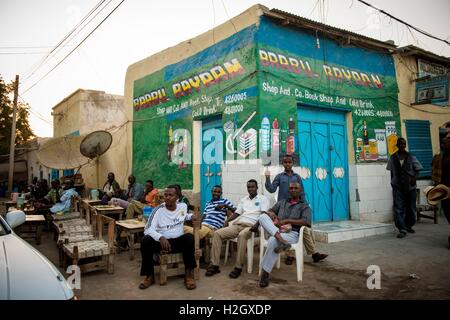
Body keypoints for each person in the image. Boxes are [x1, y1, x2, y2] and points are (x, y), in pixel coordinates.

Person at [258, 182, 328, 287]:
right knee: (262, 217)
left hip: (292, 234)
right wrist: (271, 213)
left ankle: (265, 273)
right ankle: (281, 240)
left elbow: (306, 222)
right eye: (291, 188)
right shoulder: (282, 202)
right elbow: (270, 211)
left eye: (296, 188)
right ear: (288, 190)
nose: (293, 190)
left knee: (273, 240)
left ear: (300, 191)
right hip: (277, 230)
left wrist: (287, 221)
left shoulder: (304, 206)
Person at [205, 179, 269, 279]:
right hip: (238, 224)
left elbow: (264, 214)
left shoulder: (263, 199)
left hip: (251, 226)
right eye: (249, 187)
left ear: (257, 187)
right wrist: (227, 221)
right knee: (217, 233)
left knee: (242, 235)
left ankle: (238, 267)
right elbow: (237, 213)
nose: (250, 189)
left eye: (253, 187)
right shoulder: (244, 199)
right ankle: (214, 265)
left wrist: (256, 225)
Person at [139, 185, 199, 290]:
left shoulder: (183, 206)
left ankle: (188, 276)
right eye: (165, 195)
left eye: (170, 195)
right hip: (162, 244)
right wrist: (160, 237)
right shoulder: (158, 210)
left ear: (177, 197)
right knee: (145, 241)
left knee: (189, 238)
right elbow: (147, 229)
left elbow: (183, 215)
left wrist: (191, 216)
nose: (167, 197)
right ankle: (149, 276)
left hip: (177, 242)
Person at [264, 154, 305, 265]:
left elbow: (302, 192)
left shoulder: (297, 177)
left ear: (292, 163)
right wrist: (267, 179)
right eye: (285, 162)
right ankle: (289, 255)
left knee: (297, 229)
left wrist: (303, 205)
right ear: (283, 163)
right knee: (284, 228)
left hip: (295, 207)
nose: (287, 164)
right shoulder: (279, 177)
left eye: (289, 162)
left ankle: (308, 251)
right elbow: (271, 189)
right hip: (282, 208)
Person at [387, 137, 423, 238]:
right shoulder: (393, 157)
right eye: (400, 144)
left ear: (405, 145)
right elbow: (391, 171)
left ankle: (408, 225)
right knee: (398, 208)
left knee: (411, 208)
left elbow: (418, 169)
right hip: (397, 187)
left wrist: (414, 178)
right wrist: (392, 182)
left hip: (410, 187)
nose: (402, 145)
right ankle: (402, 229)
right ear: (397, 145)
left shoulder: (411, 157)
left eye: (404, 144)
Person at [431, 134, 450, 248]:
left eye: (448, 139)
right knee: (448, 212)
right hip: (444, 190)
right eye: (443, 140)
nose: (444, 142)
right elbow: (434, 172)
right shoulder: (439, 157)